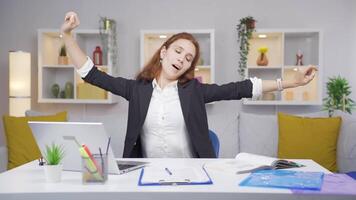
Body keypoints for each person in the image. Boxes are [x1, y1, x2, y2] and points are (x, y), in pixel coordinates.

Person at [61, 11, 317, 158]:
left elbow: (240, 88)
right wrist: (67, 35)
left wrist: (290, 82)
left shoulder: (194, 91)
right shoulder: (136, 89)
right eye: (178, 51)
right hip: (145, 176)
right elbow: (91, 73)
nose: (181, 59)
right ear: (163, 52)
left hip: (191, 177)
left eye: (188, 58)